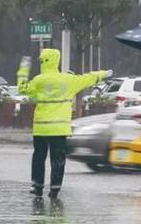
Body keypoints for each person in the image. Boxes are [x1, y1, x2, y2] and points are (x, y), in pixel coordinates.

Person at [18, 48, 111, 199]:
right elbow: (88, 78)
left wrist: (23, 68)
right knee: (58, 159)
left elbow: (22, 88)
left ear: (43, 62)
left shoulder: (38, 80)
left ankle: (37, 185)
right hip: (59, 128)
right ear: (57, 61)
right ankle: (55, 188)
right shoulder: (68, 80)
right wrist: (104, 74)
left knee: (39, 157)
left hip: (41, 128)